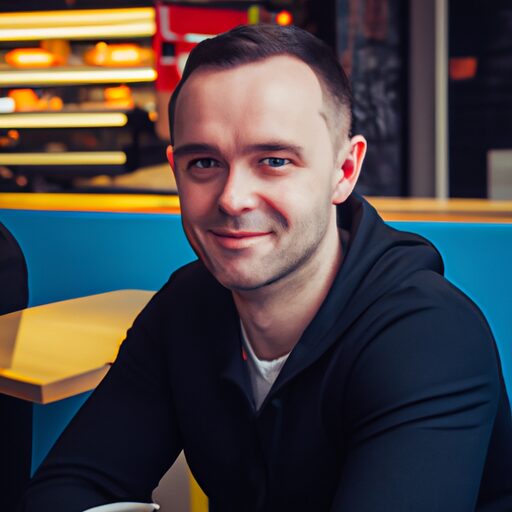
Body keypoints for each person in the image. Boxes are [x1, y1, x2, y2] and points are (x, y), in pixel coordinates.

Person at [20, 24, 512, 512]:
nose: (232, 198)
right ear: (175, 172)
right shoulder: (187, 305)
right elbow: (65, 490)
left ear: (343, 172)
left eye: (274, 160)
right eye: (204, 163)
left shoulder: (429, 336)